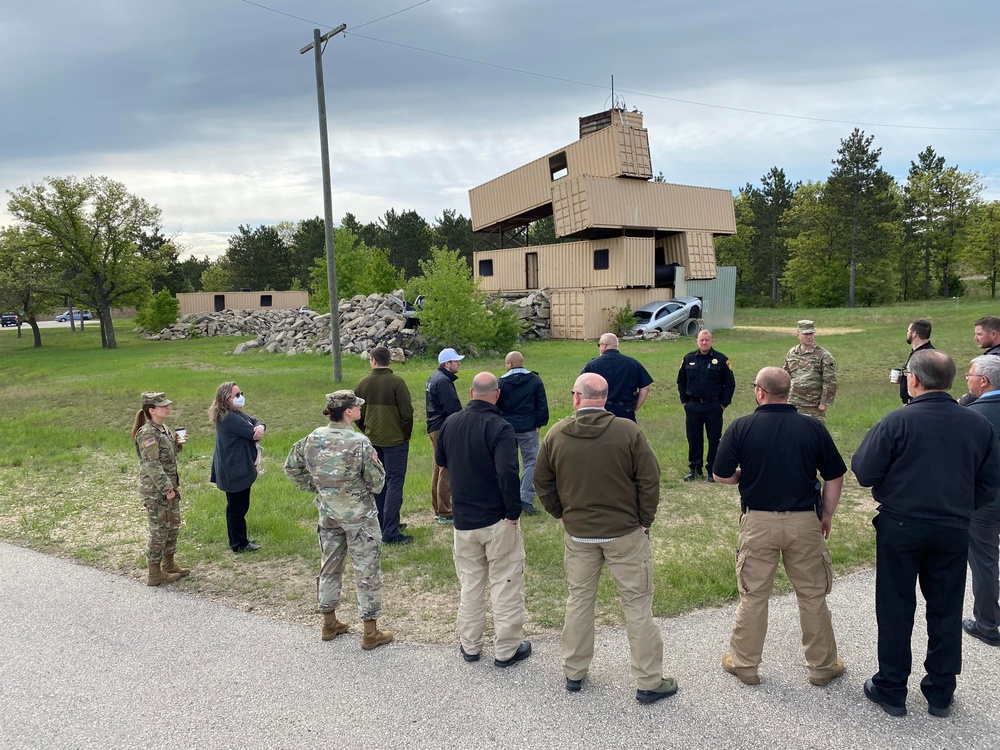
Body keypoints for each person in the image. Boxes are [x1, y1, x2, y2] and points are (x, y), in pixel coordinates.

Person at [852, 350, 1000, 718]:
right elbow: (990, 482)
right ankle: (940, 690)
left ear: (913, 380)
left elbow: (865, 471)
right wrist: (962, 506)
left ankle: (891, 685)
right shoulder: (977, 424)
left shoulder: (898, 421)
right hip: (952, 527)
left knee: (895, 606)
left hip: (901, 525)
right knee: (946, 608)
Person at [534, 373, 677, 704]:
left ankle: (574, 671)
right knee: (637, 605)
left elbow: (541, 480)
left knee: (580, 601)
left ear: (577, 398)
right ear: (606, 399)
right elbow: (649, 479)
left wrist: (559, 512)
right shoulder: (627, 430)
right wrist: (645, 521)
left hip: (580, 534)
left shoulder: (556, 434)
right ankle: (649, 680)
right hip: (625, 533)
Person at [712, 367, 846, 687]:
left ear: (760, 392)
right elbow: (835, 475)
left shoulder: (742, 426)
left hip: (758, 522)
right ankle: (821, 667)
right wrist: (826, 514)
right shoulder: (812, 427)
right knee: (812, 595)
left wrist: (746, 476)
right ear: (789, 392)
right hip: (804, 521)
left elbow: (721, 474)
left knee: (754, 595)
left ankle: (745, 664)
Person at [284, 390, 393, 650]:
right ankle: (370, 632)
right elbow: (377, 483)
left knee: (329, 567)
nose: (359, 410)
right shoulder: (360, 442)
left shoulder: (313, 438)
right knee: (366, 570)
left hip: (328, 515)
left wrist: (318, 487)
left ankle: (329, 623)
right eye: (356, 406)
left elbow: (291, 467)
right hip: (360, 517)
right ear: (348, 411)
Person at [436, 372, 531, 668]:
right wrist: (513, 510)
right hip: (496, 518)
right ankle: (506, 649)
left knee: (471, 583)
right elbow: (507, 472)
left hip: (463, 520)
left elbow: (442, 463)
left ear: (470, 392)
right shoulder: (500, 427)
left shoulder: (450, 423)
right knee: (505, 582)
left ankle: (471, 644)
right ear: (497, 394)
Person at [355, 345, 414, 545]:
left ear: (373, 360)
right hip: (395, 441)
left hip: (373, 441)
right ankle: (390, 531)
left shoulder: (363, 383)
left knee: (379, 483)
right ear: (389, 361)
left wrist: (367, 430)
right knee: (395, 483)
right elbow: (407, 413)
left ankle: (384, 524)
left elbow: (357, 414)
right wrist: (404, 434)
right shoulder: (397, 383)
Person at [132, 391, 190, 586]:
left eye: (167, 404)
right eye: (163, 405)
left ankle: (169, 564)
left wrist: (177, 443)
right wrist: (166, 488)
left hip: (169, 488)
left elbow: (168, 456)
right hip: (156, 491)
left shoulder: (162, 428)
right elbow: (151, 464)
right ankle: (154, 573)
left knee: (172, 526)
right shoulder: (147, 433)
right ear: (152, 410)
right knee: (159, 530)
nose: (168, 407)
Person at [963, 355, 1000, 647]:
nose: (967, 379)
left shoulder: (974, 415)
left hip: (986, 500)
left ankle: (988, 624)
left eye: (970, 375)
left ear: (983, 381)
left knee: (985, 561)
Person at [209, 381, 265, 553]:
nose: (241, 397)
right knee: (237, 508)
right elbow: (251, 433)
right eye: (237, 395)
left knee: (236, 506)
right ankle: (239, 544)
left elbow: (254, 421)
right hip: (234, 470)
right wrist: (258, 430)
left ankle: (238, 538)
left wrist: (261, 426)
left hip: (233, 467)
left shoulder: (234, 413)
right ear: (227, 398)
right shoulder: (230, 418)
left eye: (241, 392)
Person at [677, 328, 736, 482]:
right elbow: (681, 381)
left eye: (707, 340)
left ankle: (712, 470)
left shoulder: (721, 360)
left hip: (713, 406)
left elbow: (730, 384)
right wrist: (685, 402)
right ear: (697, 341)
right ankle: (695, 469)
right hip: (693, 406)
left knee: (714, 438)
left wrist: (723, 405)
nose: (704, 342)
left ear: (712, 341)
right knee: (694, 438)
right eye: (701, 340)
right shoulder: (688, 358)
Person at [497, 350, 550, 515]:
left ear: (509, 364)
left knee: (507, 463)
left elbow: (496, 405)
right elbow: (541, 403)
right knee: (531, 462)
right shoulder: (534, 380)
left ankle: (507, 497)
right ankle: (525, 497)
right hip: (528, 427)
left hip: (506, 429)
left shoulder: (501, 383)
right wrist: (540, 423)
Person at [426, 348, 464, 523]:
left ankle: (438, 508)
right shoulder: (443, 381)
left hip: (434, 426)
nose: (459, 363)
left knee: (438, 468)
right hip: (443, 428)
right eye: (456, 361)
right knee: (446, 469)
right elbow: (452, 408)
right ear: (447, 363)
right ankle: (445, 512)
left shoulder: (435, 377)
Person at [580, 333, 653, 422]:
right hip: (625, 412)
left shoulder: (592, 365)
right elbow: (645, 388)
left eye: (599, 345)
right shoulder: (633, 364)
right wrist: (635, 408)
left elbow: (581, 388)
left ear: (604, 346)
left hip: (600, 412)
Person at [783, 320, 836, 422]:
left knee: (815, 434)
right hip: (792, 404)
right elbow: (785, 377)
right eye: (805, 334)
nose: (809, 337)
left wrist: (824, 403)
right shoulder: (792, 353)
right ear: (798, 335)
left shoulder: (824, 355)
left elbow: (830, 381)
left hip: (812, 405)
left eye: (811, 334)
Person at [959, 316, 1000, 406]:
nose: (975, 338)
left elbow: (986, 387)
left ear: (993, 334)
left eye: (979, 334)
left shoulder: (994, 360)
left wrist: (961, 402)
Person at [898, 319, 934, 404]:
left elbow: (928, 382)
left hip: (920, 402)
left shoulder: (926, 355)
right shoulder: (917, 352)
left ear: (914, 334)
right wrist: (903, 380)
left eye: (908, 331)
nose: (907, 333)